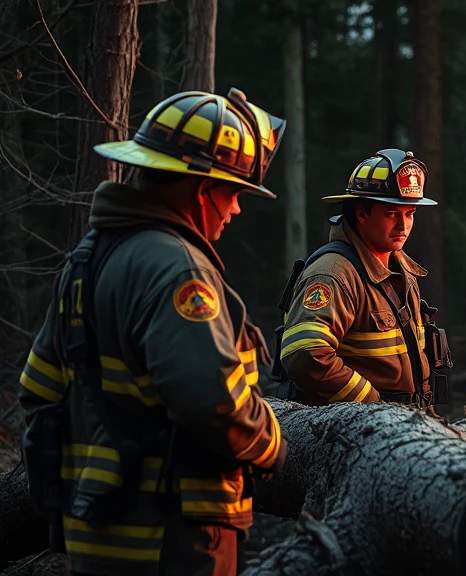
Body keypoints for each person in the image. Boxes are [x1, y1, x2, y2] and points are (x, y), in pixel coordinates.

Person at [19, 88, 288, 575]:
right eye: (233, 193)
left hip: (98, 533)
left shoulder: (86, 260)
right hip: (172, 537)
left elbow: (39, 389)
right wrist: (272, 443)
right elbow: (213, 402)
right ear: (204, 190)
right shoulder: (178, 268)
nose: (236, 210)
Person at [276, 149, 445, 408]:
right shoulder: (334, 274)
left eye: (409, 213)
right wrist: (372, 407)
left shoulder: (402, 270)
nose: (403, 225)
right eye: (391, 213)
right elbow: (305, 354)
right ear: (362, 214)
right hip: (361, 431)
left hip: (409, 423)